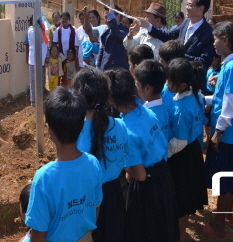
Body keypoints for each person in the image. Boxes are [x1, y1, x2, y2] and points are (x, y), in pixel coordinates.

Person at [25, 87, 103, 242]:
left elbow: (39, 233)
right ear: (81, 126)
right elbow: (96, 208)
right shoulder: (93, 163)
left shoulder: (43, 178)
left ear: (50, 131)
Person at [108, 69, 177, 242]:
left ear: (111, 99)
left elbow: (139, 175)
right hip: (163, 175)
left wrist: (121, 163)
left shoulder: (126, 130)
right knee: (163, 228)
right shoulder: (148, 112)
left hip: (147, 187)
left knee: (144, 231)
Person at [203, 22, 233, 239]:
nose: (213, 43)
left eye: (215, 38)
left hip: (229, 136)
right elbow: (224, 99)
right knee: (228, 180)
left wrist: (218, 132)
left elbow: (229, 106)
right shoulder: (229, 66)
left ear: (225, 40)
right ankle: (223, 216)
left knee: (225, 182)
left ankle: (219, 224)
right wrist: (202, 98)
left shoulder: (232, 68)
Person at [75, 68, 130, 242]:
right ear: (107, 96)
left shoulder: (73, 131)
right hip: (114, 194)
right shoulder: (120, 126)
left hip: (84, 199)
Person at [165, 58, 208, 242]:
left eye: (169, 81)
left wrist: (163, 154)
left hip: (181, 156)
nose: (166, 84)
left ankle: (180, 236)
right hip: (193, 152)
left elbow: (179, 141)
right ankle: (181, 235)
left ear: (182, 85)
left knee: (180, 201)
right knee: (187, 198)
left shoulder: (181, 108)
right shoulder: (197, 95)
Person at [136, 0, 215, 70]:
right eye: (187, 4)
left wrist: (178, 54)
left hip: (193, 79)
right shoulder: (186, 22)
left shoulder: (208, 33)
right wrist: (148, 26)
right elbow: (168, 36)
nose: (187, 7)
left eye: (190, 5)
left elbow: (204, 62)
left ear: (201, 8)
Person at [133, 60, 170, 142]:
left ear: (147, 88)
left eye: (137, 85)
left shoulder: (149, 115)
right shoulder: (162, 107)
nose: (135, 88)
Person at [97, 0, 129, 71]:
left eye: (110, 17)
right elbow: (103, 51)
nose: (108, 20)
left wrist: (111, 15)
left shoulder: (124, 30)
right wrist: (98, 67)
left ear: (118, 17)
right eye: (106, 17)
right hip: (105, 69)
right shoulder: (106, 32)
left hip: (118, 71)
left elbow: (116, 33)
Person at [27, 17, 48, 104]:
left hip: (41, 60)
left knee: (42, 80)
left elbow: (46, 44)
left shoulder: (42, 30)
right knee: (33, 81)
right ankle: (33, 100)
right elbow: (38, 40)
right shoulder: (31, 30)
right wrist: (42, 29)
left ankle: (40, 98)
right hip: (33, 60)